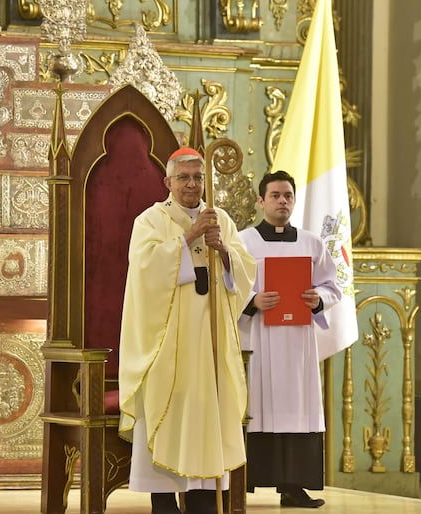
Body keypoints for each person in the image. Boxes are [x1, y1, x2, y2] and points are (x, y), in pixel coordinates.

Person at [118, 147, 257, 514]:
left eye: (198, 177)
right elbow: (143, 271)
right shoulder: (149, 220)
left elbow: (244, 274)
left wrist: (223, 251)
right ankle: (164, 501)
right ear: (168, 182)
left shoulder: (221, 219)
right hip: (167, 344)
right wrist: (190, 236)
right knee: (170, 411)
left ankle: (201, 501)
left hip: (211, 342)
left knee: (206, 415)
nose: (192, 184)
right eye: (184, 178)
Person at [238, 170, 342, 509]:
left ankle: (294, 487)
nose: (283, 201)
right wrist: (252, 301)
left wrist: (318, 299)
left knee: (298, 409)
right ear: (261, 200)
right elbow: (229, 286)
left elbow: (332, 287)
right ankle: (245, 483)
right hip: (260, 339)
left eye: (288, 196)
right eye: (275, 195)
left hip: (298, 343)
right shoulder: (243, 242)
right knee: (258, 408)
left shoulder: (311, 243)